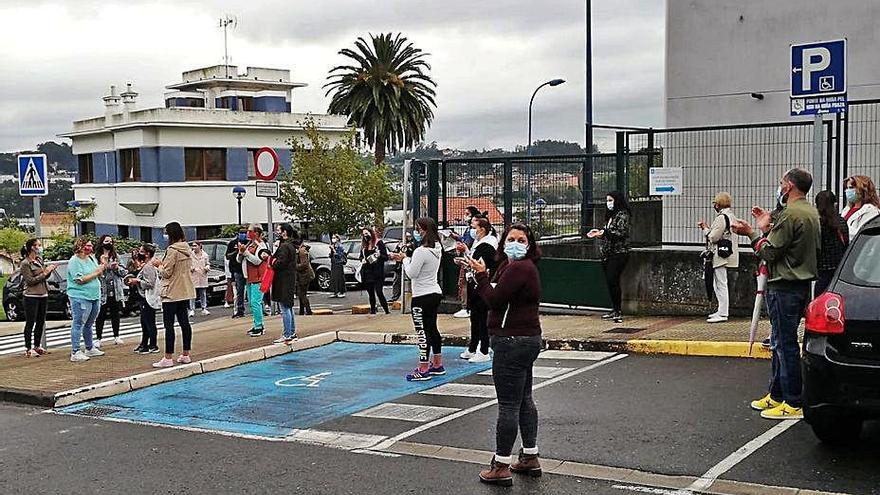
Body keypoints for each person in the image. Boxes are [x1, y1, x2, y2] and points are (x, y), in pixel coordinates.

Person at [732, 168, 820, 420]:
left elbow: (770, 252)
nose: (779, 186)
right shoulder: (809, 211)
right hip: (799, 284)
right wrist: (767, 226)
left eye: (782, 182)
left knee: (784, 344)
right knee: (781, 342)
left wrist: (752, 233)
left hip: (785, 285)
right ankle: (777, 393)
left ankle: (792, 400)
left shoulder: (791, 214)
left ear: (789, 186)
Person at [467, 223, 543, 487]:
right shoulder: (516, 267)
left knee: (509, 405)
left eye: (521, 240)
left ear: (529, 245)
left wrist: (480, 277)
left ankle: (500, 465)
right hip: (527, 339)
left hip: (511, 341)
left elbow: (494, 299)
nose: (515, 243)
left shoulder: (519, 268)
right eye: (511, 238)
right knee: (524, 399)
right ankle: (529, 456)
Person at [390, 217, 444, 381]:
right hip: (434, 291)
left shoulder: (421, 251)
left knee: (422, 332)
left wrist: (405, 259)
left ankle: (423, 367)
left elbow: (412, 273)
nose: (417, 232)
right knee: (432, 328)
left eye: (419, 229)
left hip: (421, 295)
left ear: (425, 230)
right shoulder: (438, 248)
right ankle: (437, 364)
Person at [151, 222, 197, 367]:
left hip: (171, 291)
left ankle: (168, 357)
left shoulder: (172, 250)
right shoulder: (187, 248)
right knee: (184, 323)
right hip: (184, 290)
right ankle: (186, 354)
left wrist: (158, 265)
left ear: (170, 234)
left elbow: (167, 272)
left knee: (169, 325)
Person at [587, 191, 631, 324]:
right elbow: (608, 232)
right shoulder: (611, 216)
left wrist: (604, 232)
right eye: (607, 200)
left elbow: (620, 233)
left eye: (611, 200)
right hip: (608, 252)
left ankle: (618, 310)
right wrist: (599, 233)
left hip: (619, 252)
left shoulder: (622, 215)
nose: (608, 203)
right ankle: (614, 309)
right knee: (610, 281)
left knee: (613, 279)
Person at [460, 216, 499, 363]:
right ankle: (473, 347)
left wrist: (468, 260)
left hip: (481, 284)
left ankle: (483, 349)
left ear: (482, 229)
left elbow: (479, 263)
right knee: (475, 317)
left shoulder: (488, 245)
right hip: (475, 283)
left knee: (481, 317)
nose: (472, 230)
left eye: (474, 227)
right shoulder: (479, 243)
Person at [697, 192, 739, 323]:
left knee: (720, 284)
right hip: (728, 252)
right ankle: (721, 311)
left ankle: (723, 313)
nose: (714, 205)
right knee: (721, 283)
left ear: (719, 204)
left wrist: (705, 229)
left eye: (715, 202)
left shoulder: (722, 217)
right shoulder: (731, 216)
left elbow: (713, 237)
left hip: (720, 255)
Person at [67, 237, 107, 363]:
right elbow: (79, 279)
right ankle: (75, 351)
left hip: (94, 295)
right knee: (78, 323)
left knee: (89, 323)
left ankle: (89, 347)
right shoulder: (74, 261)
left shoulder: (91, 258)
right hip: (80, 296)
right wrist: (96, 272)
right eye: (87, 246)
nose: (90, 248)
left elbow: (99, 273)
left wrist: (102, 265)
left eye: (91, 246)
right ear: (80, 246)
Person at [20, 238, 55, 357]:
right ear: (32, 247)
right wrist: (44, 273)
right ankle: (28, 348)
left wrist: (49, 271)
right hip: (31, 295)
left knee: (41, 321)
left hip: (43, 293)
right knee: (31, 322)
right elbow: (30, 280)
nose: (39, 247)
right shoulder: (25, 263)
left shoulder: (39, 260)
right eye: (38, 245)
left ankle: (37, 345)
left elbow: (44, 277)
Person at [237, 223, 271, 337]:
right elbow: (239, 259)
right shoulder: (249, 244)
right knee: (253, 302)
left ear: (256, 233)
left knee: (255, 302)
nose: (247, 233)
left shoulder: (262, 246)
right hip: (249, 277)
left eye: (249, 231)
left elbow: (257, 261)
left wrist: (245, 253)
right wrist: (241, 252)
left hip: (258, 277)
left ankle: (259, 326)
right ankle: (257, 324)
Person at [94, 234, 128, 346]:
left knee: (115, 313)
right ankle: (98, 338)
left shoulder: (116, 256)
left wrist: (116, 268)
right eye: (107, 241)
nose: (109, 243)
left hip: (115, 289)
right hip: (101, 289)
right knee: (100, 315)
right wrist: (103, 266)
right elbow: (94, 272)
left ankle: (116, 336)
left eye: (111, 241)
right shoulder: (96, 257)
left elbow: (124, 272)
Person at [815, 190, 849, 296]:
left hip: (822, 271)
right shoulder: (841, 221)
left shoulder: (817, 224)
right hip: (839, 271)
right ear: (835, 204)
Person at [128, 243, 160, 354]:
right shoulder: (147, 265)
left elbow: (149, 283)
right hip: (144, 297)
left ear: (147, 254)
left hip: (147, 297)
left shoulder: (148, 267)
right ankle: (144, 344)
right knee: (144, 321)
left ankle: (152, 345)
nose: (138, 253)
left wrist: (137, 281)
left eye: (141, 251)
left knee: (149, 322)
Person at [453, 206, 484, 319]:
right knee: (464, 284)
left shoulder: (476, 234)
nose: (466, 217)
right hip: (467, 259)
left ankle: (466, 307)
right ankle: (466, 307)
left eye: (468, 214)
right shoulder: (469, 230)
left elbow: (469, 246)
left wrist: (463, 248)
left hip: (471, 262)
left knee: (467, 284)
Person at [271, 224, 298, 344]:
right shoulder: (291, 246)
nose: (277, 232)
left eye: (278, 230)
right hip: (290, 278)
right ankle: (291, 332)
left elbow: (280, 263)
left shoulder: (285, 247)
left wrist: (273, 262)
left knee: (285, 307)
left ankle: (287, 334)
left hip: (283, 280)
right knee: (289, 306)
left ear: (284, 232)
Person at [359, 227, 390, 315]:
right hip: (367, 272)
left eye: (367, 234)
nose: (365, 236)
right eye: (364, 234)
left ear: (371, 233)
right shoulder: (364, 246)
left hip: (377, 272)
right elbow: (361, 256)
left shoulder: (378, 243)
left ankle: (386, 311)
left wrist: (379, 255)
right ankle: (373, 310)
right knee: (370, 293)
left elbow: (385, 257)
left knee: (379, 292)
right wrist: (362, 260)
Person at [841, 175, 880, 240]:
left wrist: (843, 229)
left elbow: (863, 234)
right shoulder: (847, 209)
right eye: (846, 188)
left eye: (851, 188)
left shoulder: (871, 211)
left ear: (863, 190)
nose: (847, 191)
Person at [225, 226, 248, 319]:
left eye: (245, 233)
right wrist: (236, 251)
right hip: (237, 270)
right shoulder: (232, 243)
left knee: (252, 291)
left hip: (247, 269)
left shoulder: (248, 242)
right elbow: (227, 256)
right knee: (239, 291)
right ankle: (240, 309)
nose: (243, 235)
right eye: (241, 233)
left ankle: (258, 309)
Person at [188, 241, 211, 317]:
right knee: (192, 294)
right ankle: (192, 309)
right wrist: (190, 268)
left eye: (195, 246)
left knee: (203, 293)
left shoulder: (205, 255)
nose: (193, 247)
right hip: (193, 275)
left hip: (202, 275)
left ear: (199, 246)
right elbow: (188, 264)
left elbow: (208, 263)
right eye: (193, 246)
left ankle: (204, 308)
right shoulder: (190, 255)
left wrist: (207, 268)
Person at [294, 238, 314, 315]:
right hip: (304, 275)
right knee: (301, 294)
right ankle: (302, 311)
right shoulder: (302, 250)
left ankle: (308, 311)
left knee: (302, 294)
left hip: (304, 275)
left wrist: (295, 266)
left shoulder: (301, 251)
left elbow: (304, 264)